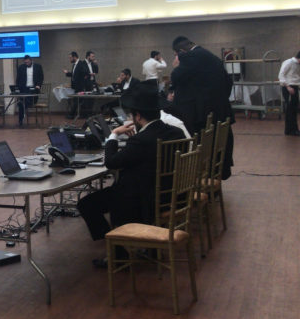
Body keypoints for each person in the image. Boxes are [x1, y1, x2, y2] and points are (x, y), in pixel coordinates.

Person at [76, 82, 187, 267]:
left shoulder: (141, 140)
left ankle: (117, 252)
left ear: (138, 116)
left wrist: (113, 135)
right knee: (115, 191)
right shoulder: (176, 133)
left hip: (143, 200)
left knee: (86, 204)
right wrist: (133, 142)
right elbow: (147, 156)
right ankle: (130, 247)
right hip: (171, 195)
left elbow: (111, 162)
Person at [168, 35, 235, 177]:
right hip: (219, 111)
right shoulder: (210, 56)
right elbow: (228, 82)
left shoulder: (190, 56)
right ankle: (212, 178)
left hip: (200, 115)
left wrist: (176, 67)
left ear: (181, 51)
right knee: (214, 148)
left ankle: (192, 176)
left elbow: (176, 77)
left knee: (194, 144)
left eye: (176, 55)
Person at [278, 49, 300, 136]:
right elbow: (281, 75)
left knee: (294, 110)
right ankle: (291, 130)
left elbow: (292, 79)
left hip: (293, 88)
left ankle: (292, 130)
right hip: (288, 89)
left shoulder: (296, 64)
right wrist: (288, 87)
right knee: (290, 110)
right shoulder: (289, 62)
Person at [15, 55, 43, 127]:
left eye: (27, 62)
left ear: (31, 60)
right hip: (24, 89)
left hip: (33, 89)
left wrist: (39, 85)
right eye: (25, 63)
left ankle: (23, 104)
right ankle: (20, 120)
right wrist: (17, 88)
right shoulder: (21, 67)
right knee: (22, 101)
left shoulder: (38, 66)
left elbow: (41, 77)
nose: (26, 64)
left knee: (23, 102)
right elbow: (18, 79)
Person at [64, 51, 92, 118]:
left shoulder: (81, 63)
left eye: (70, 58)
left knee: (76, 101)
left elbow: (86, 73)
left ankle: (72, 115)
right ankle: (74, 114)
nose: (70, 59)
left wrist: (82, 80)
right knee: (77, 101)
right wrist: (67, 73)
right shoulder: (74, 65)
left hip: (80, 86)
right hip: (76, 86)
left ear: (74, 57)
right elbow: (74, 74)